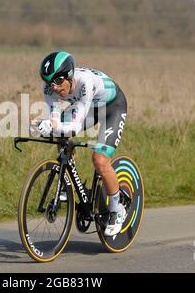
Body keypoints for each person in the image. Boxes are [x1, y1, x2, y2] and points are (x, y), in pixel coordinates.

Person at [30, 51, 129, 236]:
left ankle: (118, 210)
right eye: (49, 82)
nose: (54, 87)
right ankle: (67, 182)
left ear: (69, 75)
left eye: (58, 81)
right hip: (91, 108)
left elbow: (74, 126)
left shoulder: (85, 83)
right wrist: (40, 125)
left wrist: (52, 127)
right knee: (60, 135)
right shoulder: (50, 89)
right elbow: (54, 119)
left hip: (113, 108)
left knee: (99, 160)